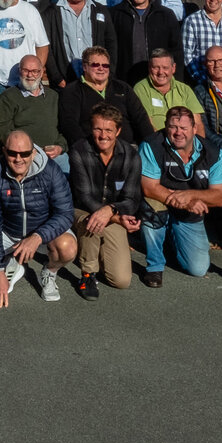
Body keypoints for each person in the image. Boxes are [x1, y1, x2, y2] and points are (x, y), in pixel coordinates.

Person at [0, 129, 76, 305]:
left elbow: (65, 213)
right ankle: (7, 261)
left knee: (68, 247)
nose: (18, 159)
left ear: (33, 153)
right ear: (4, 151)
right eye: (12, 153)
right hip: (7, 231)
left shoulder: (51, 171)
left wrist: (37, 236)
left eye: (24, 153)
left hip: (41, 233)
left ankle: (49, 272)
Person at [133, 105, 222, 287]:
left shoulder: (214, 153)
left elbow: (220, 197)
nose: (178, 133)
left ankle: (170, 238)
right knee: (151, 206)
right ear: (166, 126)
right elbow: (149, 188)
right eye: (173, 127)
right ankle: (154, 266)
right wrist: (185, 203)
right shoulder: (151, 145)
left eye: (183, 128)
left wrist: (190, 196)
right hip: (160, 202)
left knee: (198, 269)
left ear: (194, 128)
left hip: (189, 211)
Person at [66, 103, 144, 297]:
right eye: (98, 129)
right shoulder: (79, 150)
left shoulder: (131, 155)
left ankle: (88, 250)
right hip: (80, 210)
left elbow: (132, 199)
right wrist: (113, 215)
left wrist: (111, 211)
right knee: (92, 221)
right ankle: (87, 274)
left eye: (108, 130)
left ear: (118, 131)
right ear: (91, 129)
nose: (103, 135)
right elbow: (84, 196)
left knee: (121, 280)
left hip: (113, 212)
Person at [105, 0, 182, 84]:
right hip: (124, 79)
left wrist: (177, 80)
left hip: (158, 79)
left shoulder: (165, 15)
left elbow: (176, 51)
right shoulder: (114, 14)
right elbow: (109, 49)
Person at [0, 54, 64, 171]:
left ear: (41, 72)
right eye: (25, 70)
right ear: (19, 71)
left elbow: (63, 128)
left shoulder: (53, 96)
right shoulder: (8, 97)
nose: (30, 75)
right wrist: (24, 151)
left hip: (54, 155)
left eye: (35, 71)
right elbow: (3, 129)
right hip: (24, 156)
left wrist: (60, 147)